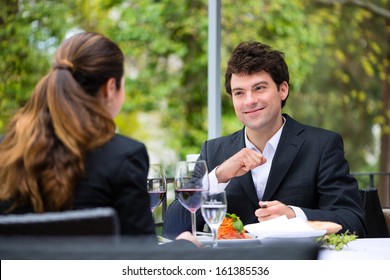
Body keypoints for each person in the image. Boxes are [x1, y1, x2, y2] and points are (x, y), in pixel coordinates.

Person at [0, 32, 197, 245]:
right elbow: (141, 264)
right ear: (110, 88)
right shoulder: (124, 156)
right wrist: (185, 245)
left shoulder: (6, 150)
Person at [163, 41, 366, 239]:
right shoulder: (213, 150)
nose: (249, 100)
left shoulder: (322, 145)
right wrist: (218, 176)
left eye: (259, 88)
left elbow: (353, 221)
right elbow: (173, 229)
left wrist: (294, 216)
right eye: (239, 93)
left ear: (283, 89)